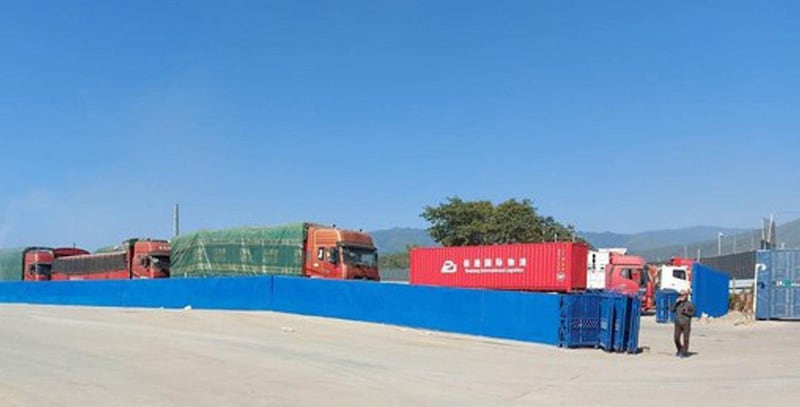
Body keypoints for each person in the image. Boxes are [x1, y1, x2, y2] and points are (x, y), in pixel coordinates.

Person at [670, 289, 696, 358]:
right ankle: (680, 349)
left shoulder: (689, 304)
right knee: (676, 338)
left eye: (682, 295)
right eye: (680, 295)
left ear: (686, 296)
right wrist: (676, 303)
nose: (681, 296)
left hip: (686, 323)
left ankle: (684, 352)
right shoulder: (677, 303)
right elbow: (671, 309)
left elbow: (693, 313)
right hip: (678, 323)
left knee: (686, 339)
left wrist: (686, 312)